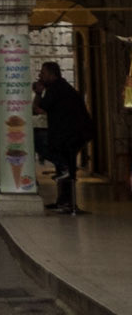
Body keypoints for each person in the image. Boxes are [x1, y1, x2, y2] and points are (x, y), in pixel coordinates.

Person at [33, 60, 94, 215]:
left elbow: (38, 108)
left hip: (71, 134)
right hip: (74, 133)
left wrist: (39, 93)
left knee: (42, 144)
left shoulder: (56, 88)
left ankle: (68, 201)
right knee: (65, 166)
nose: (40, 76)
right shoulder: (61, 87)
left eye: (43, 73)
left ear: (52, 74)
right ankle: (65, 201)